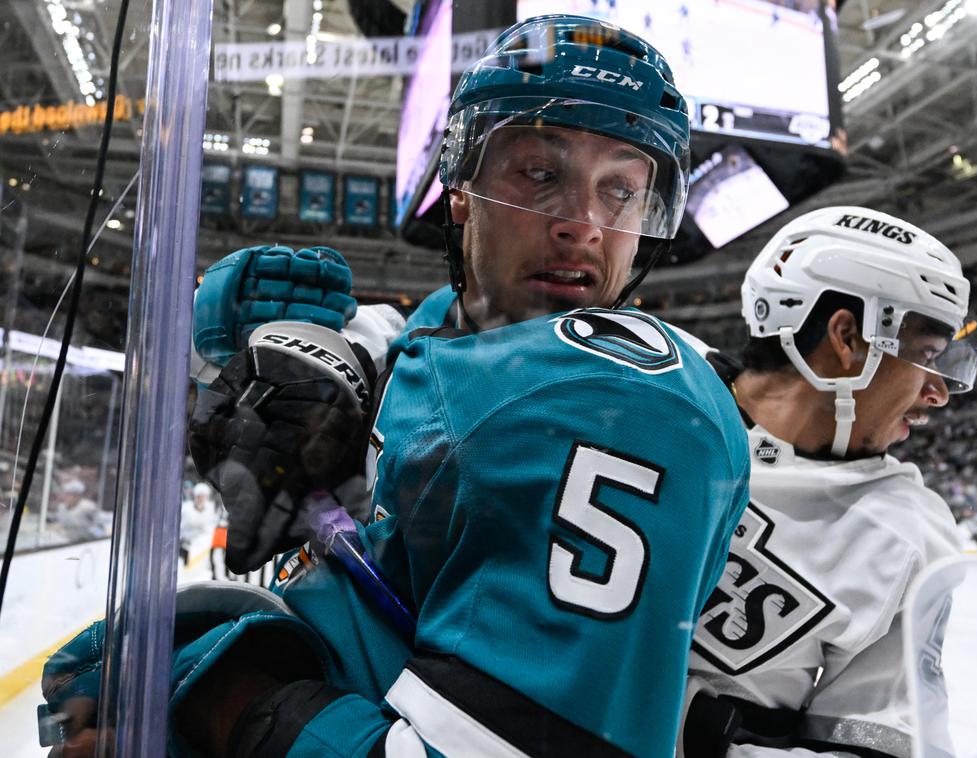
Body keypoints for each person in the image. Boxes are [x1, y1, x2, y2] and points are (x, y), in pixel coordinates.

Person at [43, 15, 749, 758]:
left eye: (621, 191)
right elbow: (376, 353)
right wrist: (262, 348)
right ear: (461, 192)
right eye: (540, 174)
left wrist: (224, 698)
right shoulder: (432, 338)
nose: (583, 224)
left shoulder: (631, 401)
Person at [678, 206, 977, 758]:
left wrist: (695, 740)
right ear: (850, 339)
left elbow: (879, 748)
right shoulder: (646, 387)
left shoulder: (907, 532)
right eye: (929, 355)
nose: (939, 393)